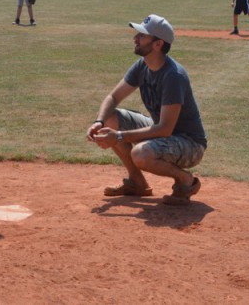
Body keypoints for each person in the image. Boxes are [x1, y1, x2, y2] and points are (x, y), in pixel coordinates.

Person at [87, 14, 207, 205]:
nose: (135, 38)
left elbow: (165, 129)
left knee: (140, 154)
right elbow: (114, 97)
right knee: (110, 117)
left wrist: (118, 136)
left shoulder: (173, 76)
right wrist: (98, 122)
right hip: (163, 133)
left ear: (158, 44)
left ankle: (186, 181)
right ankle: (137, 183)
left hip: (189, 144)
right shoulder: (142, 65)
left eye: (142, 35)